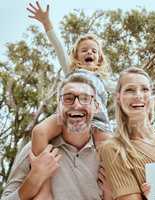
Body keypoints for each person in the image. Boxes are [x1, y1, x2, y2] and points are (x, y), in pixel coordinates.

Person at [26, 2, 114, 198]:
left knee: (110, 151)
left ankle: (110, 192)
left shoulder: (105, 82)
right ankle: (44, 187)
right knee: (39, 131)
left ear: (99, 59)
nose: (89, 53)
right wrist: (47, 22)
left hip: (97, 122)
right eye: (84, 50)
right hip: (66, 116)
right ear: (76, 57)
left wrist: (151, 98)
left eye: (93, 51)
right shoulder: (72, 71)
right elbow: (58, 46)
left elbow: (127, 91)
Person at [1, 70, 112, 200]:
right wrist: (33, 179)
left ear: (96, 107)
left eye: (85, 98)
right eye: (68, 99)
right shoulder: (36, 151)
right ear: (58, 107)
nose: (76, 104)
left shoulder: (108, 156)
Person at [99, 67, 155, 199]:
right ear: (118, 98)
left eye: (145, 89)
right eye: (130, 90)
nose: (138, 95)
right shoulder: (114, 149)